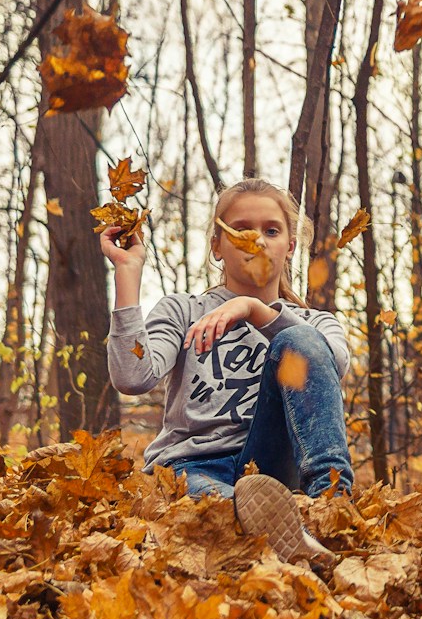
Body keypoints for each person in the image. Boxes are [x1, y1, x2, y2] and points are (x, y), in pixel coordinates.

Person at [101, 177, 353, 562]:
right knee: (220, 503)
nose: (257, 240)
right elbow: (133, 377)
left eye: (271, 230)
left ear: (290, 247)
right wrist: (128, 274)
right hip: (191, 466)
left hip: (272, 472)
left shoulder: (315, 324)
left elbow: (331, 369)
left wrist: (254, 311)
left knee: (300, 343)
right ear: (217, 246)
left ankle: (332, 505)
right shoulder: (184, 311)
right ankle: (284, 533)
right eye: (240, 230)